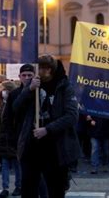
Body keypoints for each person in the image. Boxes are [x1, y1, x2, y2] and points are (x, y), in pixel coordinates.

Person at [13, 55, 80, 197]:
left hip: (55, 146)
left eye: (45, 69)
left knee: (55, 188)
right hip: (32, 145)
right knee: (29, 186)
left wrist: (47, 129)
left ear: (51, 70)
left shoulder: (64, 87)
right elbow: (16, 108)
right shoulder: (34, 85)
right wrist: (29, 89)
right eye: (40, 68)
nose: (42, 72)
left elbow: (71, 116)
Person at [0, 80, 20, 198]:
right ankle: (5, 187)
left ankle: (18, 186)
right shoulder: (4, 102)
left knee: (16, 163)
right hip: (4, 137)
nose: (1, 92)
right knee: (4, 163)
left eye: (3, 90)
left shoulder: (15, 102)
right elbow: (1, 119)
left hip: (13, 137)